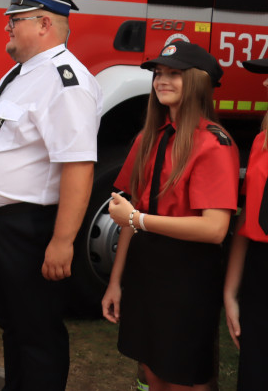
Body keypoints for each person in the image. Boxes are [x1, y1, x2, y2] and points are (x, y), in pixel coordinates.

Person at [0, 0, 101, 390]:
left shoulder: (64, 81)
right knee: (13, 324)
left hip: (25, 229)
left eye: (14, 20)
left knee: (36, 330)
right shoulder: (23, 74)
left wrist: (62, 240)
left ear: (43, 24)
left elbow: (78, 166)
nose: (6, 27)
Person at [101, 42, 239, 390]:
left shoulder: (213, 143)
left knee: (185, 378)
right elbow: (129, 213)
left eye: (174, 74)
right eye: (159, 74)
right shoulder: (148, 138)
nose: (162, 80)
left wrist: (138, 220)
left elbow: (215, 229)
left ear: (196, 82)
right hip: (145, 270)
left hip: (188, 274)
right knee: (150, 370)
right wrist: (116, 282)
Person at [225, 58, 268, 390]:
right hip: (258, 273)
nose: (265, 85)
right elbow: (246, 218)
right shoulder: (261, 142)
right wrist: (230, 291)